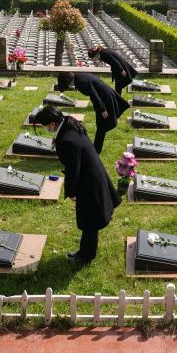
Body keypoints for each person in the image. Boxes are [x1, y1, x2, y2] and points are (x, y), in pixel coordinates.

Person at [31, 105, 120, 264]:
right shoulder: (69, 124)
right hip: (93, 174)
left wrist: (72, 192)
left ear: (52, 124)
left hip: (89, 181)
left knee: (89, 222)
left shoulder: (66, 141)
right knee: (90, 220)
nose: (45, 129)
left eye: (44, 126)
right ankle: (86, 252)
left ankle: (86, 256)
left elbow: (74, 170)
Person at [56, 72, 130, 153]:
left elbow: (94, 95)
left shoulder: (81, 82)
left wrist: (102, 110)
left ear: (67, 81)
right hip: (104, 96)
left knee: (102, 126)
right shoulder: (78, 76)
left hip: (104, 99)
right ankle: (96, 149)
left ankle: (96, 150)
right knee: (101, 126)